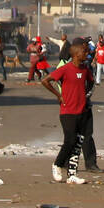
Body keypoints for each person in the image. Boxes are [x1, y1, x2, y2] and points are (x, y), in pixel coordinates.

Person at [40, 37, 93, 185]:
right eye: (84, 52)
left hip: (82, 110)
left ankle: (72, 174)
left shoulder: (85, 69)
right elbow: (45, 80)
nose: (87, 54)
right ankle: (57, 164)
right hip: (67, 111)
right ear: (76, 54)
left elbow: (91, 82)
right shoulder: (65, 68)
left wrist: (85, 94)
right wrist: (58, 95)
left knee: (78, 143)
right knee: (69, 140)